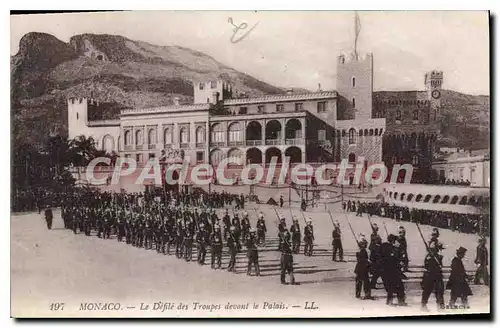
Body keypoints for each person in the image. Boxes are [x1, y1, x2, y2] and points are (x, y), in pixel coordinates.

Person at [420, 241, 445, 311]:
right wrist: (432, 258)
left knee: (439, 291)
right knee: (427, 291)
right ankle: (423, 306)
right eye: (438, 249)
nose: (440, 250)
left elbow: (440, 265)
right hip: (430, 276)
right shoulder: (429, 257)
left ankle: (441, 306)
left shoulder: (438, 256)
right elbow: (427, 266)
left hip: (437, 276)